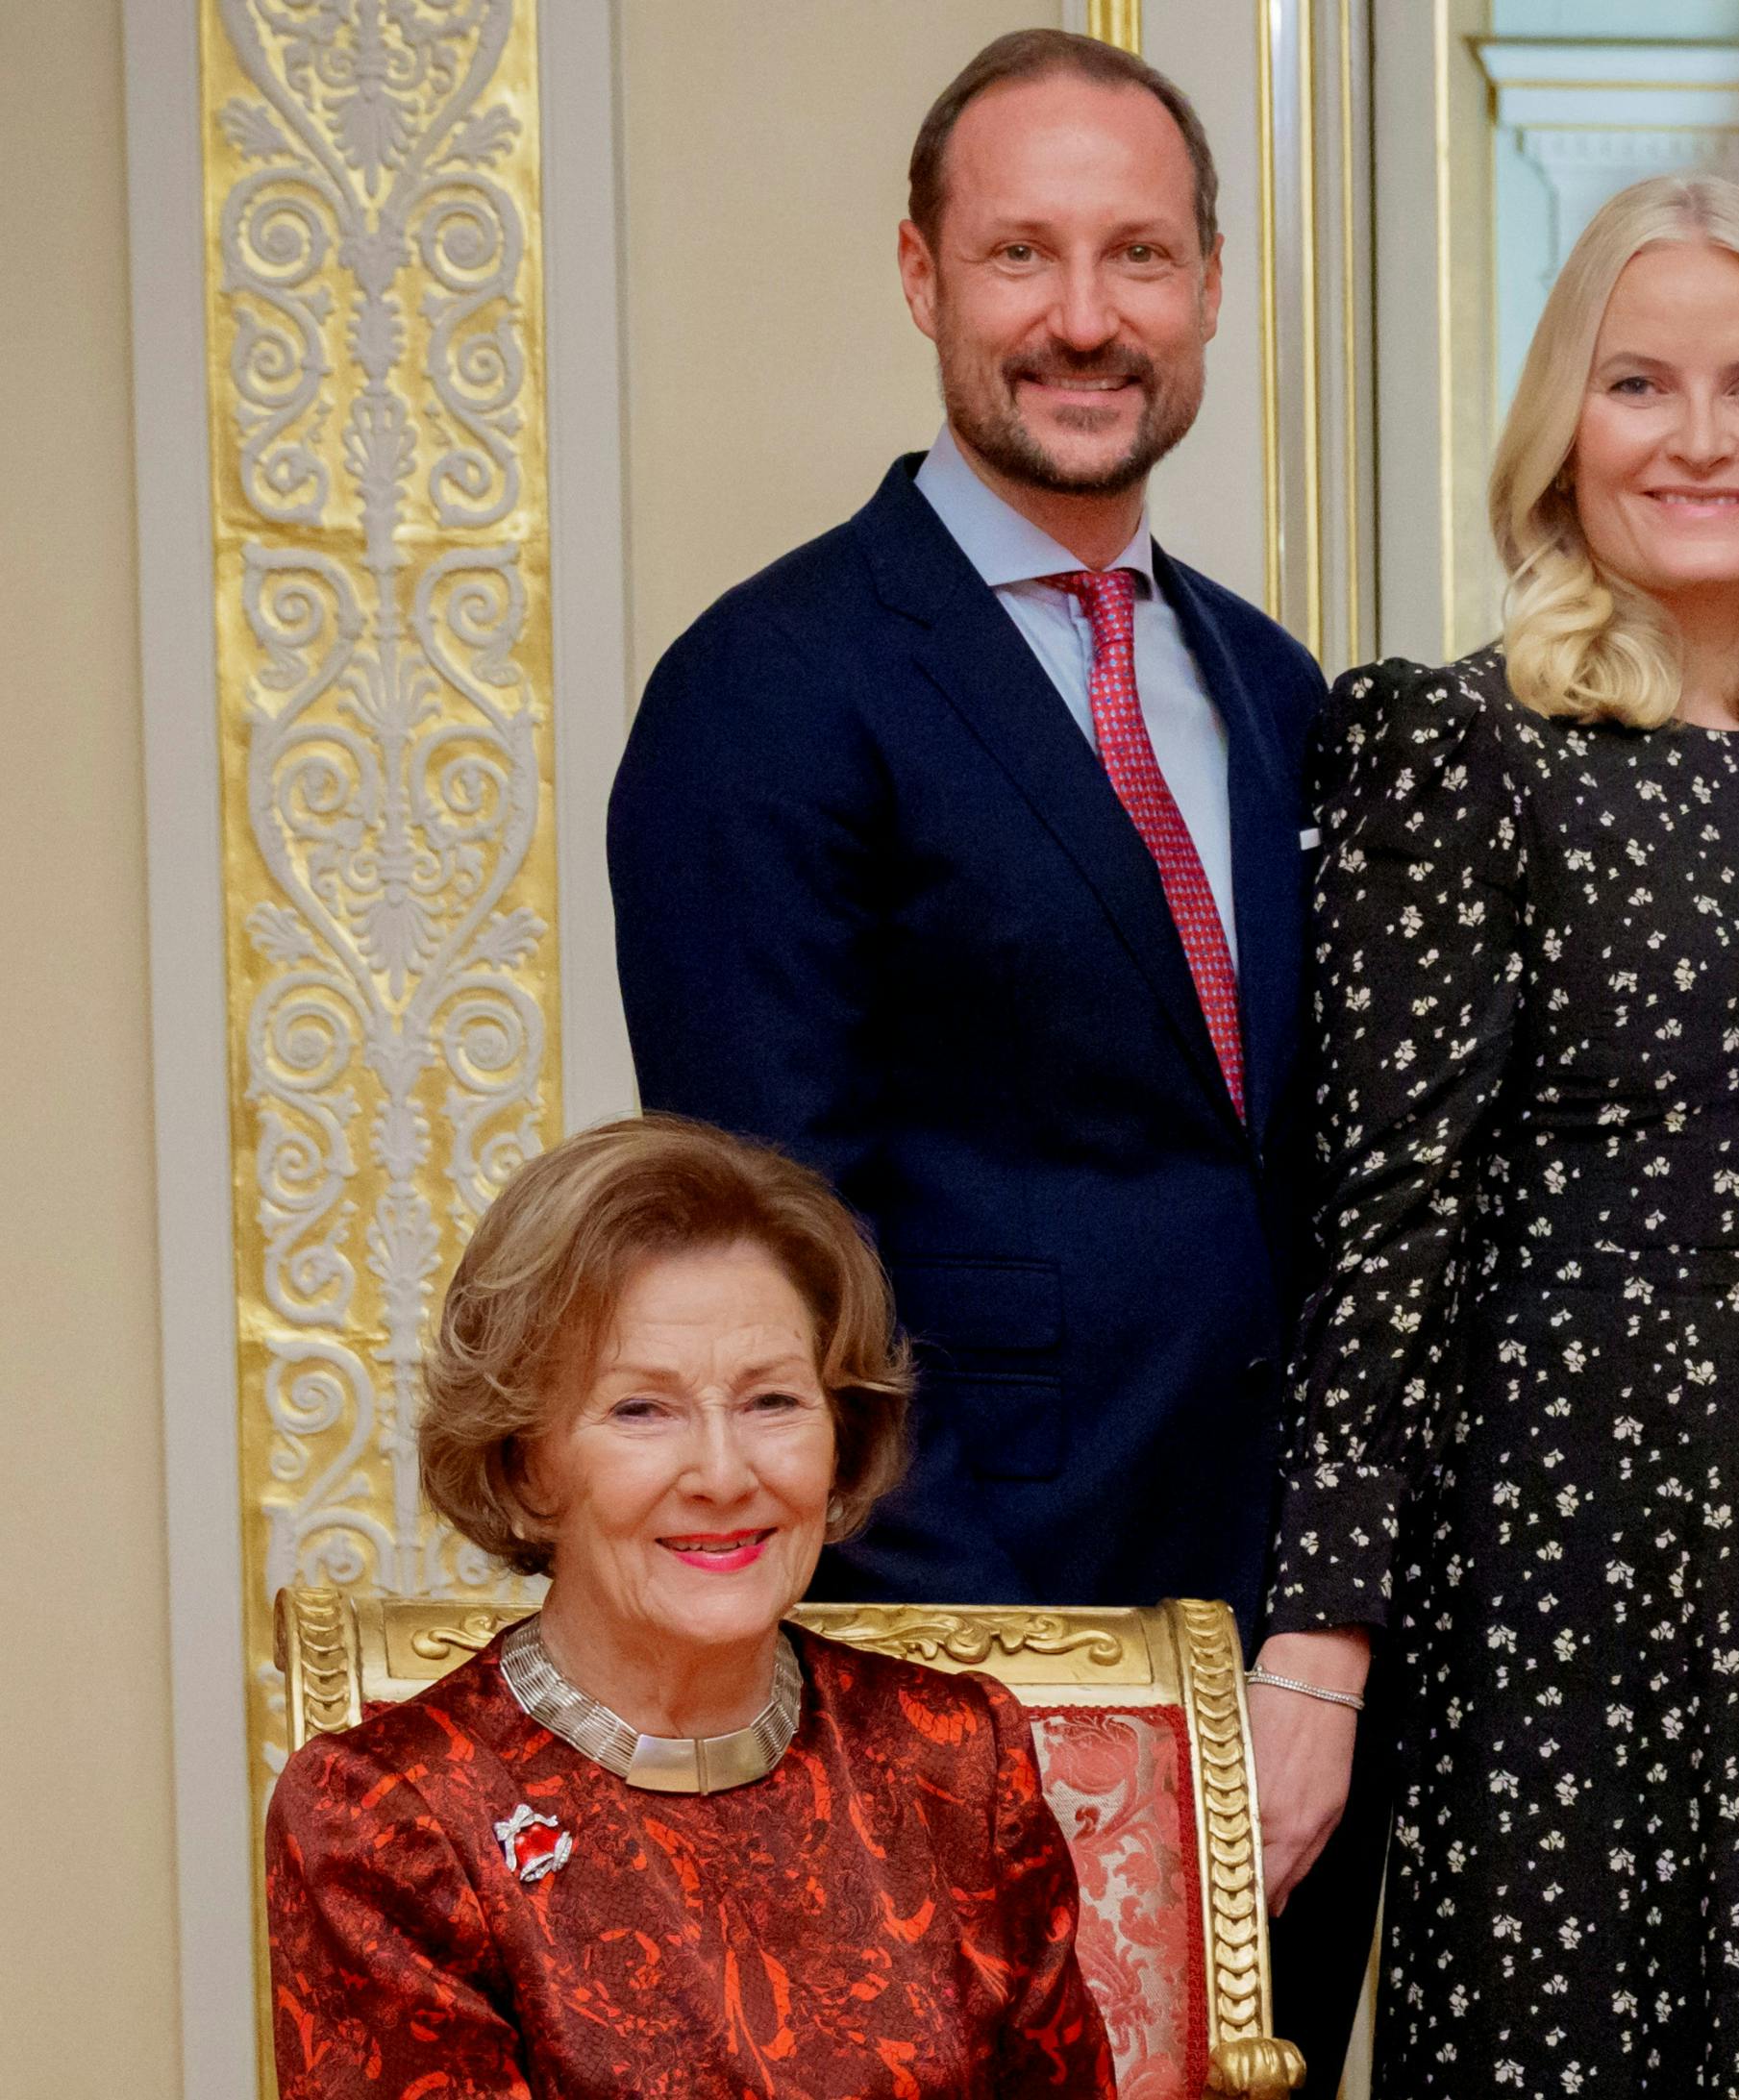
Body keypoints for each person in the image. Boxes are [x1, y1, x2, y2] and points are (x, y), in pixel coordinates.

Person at [603, 33, 1376, 2079]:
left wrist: (1314, 1652)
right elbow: (764, 1265)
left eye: (1137, 255)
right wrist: (979, 1694)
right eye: (1021, 253)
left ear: (1211, 284)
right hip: (953, 1663)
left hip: (1274, 1667)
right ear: (921, 275)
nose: (1084, 318)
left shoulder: (1275, 687)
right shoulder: (766, 687)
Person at [1240, 173, 1739, 2099]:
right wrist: (1316, 1658)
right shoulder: (1446, 755)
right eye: (1639, 384)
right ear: (1560, 436)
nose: (1700, 439)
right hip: (1551, 1605)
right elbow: (1385, 1242)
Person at [265, 1116, 1117, 2099]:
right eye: (642, 1409)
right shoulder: (392, 1821)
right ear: (526, 1461)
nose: (723, 1472)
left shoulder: (956, 1759)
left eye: (771, 1402)